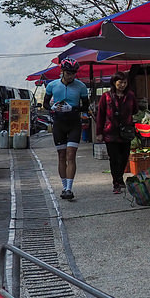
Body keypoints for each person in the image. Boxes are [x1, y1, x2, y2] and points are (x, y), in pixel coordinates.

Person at [43, 58, 90, 201]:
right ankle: (64, 186)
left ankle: (69, 188)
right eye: (69, 73)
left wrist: (73, 108)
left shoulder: (81, 86)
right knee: (62, 156)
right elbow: (45, 104)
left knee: (71, 155)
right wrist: (51, 107)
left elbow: (85, 106)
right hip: (59, 123)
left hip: (74, 123)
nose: (71, 76)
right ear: (62, 72)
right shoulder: (52, 85)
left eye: (74, 73)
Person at [95, 72, 138, 194]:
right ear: (114, 83)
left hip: (126, 132)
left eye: (125, 82)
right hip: (110, 132)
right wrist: (99, 132)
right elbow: (101, 115)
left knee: (124, 158)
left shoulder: (130, 96)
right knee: (114, 159)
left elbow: (135, 110)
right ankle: (116, 182)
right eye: (120, 82)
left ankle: (119, 179)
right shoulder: (106, 96)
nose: (122, 85)